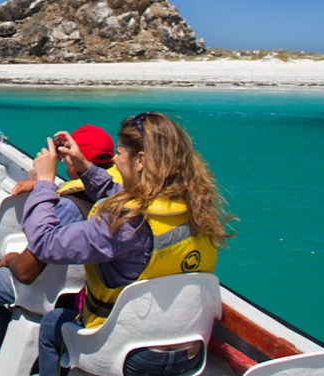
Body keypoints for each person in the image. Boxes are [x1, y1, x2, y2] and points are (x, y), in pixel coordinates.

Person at [28, 112, 234, 375]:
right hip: (188, 350)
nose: (115, 159)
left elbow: (46, 243)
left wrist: (44, 183)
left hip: (124, 353)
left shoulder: (122, 223)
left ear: (141, 160)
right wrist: (85, 167)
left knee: (52, 324)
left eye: (120, 153)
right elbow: (129, 200)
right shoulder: (196, 209)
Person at [0, 124, 123, 348]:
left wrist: (10, 259)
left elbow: (25, 272)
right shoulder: (120, 193)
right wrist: (44, 184)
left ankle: (14, 350)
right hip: (89, 291)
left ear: (73, 160)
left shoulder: (66, 207)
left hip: (48, 289)